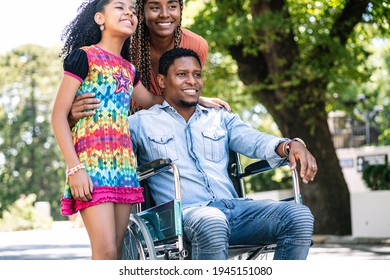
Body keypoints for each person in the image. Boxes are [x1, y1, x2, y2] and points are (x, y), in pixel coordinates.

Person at [129, 48, 317, 260]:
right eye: (182, 74)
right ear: (162, 81)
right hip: (185, 215)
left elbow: (253, 139)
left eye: (197, 74)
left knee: (299, 216)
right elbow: (107, 148)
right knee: (212, 221)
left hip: (235, 210)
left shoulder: (220, 118)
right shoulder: (140, 123)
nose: (192, 81)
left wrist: (290, 145)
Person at [51, 0, 164, 260]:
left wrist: (198, 99)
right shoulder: (84, 56)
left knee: (116, 252)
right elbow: (58, 117)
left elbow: (152, 102)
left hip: (124, 167)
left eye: (133, 11)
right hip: (91, 167)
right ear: (100, 19)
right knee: (105, 251)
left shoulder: (129, 69)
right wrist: (75, 168)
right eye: (119, 7)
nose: (128, 13)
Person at [67, 0, 229, 124]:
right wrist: (72, 115)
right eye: (155, 7)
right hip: (122, 128)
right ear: (141, 12)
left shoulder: (196, 46)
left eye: (172, 6)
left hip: (170, 128)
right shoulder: (121, 46)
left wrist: (196, 98)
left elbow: (173, 98)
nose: (165, 14)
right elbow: (77, 107)